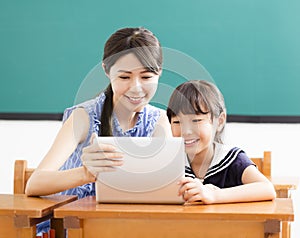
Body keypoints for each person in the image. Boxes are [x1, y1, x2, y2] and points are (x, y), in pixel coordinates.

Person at [25, 27, 171, 234]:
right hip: (76, 227)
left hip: (126, 227)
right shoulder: (84, 116)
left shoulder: (159, 121)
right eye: (124, 77)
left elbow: (163, 188)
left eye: (146, 77)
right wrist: (86, 173)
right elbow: (35, 184)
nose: (136, 88)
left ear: (160, 73)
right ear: (106, 70)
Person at [166, 80, 276, 204]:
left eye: (196, 121)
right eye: (177, 122)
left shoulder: (232, 159)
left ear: (219, 121)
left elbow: (267, 189)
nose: (186, 131)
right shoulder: (171, 161)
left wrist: (215, 195)